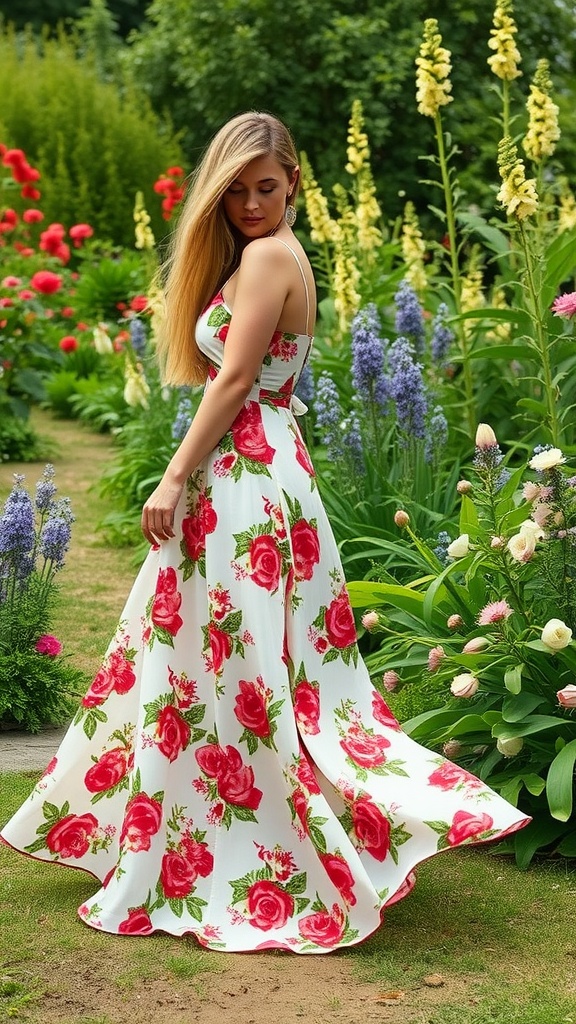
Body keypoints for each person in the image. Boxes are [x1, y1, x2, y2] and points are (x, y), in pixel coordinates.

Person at [0, 112, 529, 953]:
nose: (251, 203)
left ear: (295, 184)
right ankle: (212, 829)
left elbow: (239, 377)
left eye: (267, 187)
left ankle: (253, 844)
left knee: (237, 663)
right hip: (265, 469)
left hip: (246, 477)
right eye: (237, 190)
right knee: (239, 660)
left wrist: (174, 473)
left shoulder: (270, 257)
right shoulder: (272, 254)